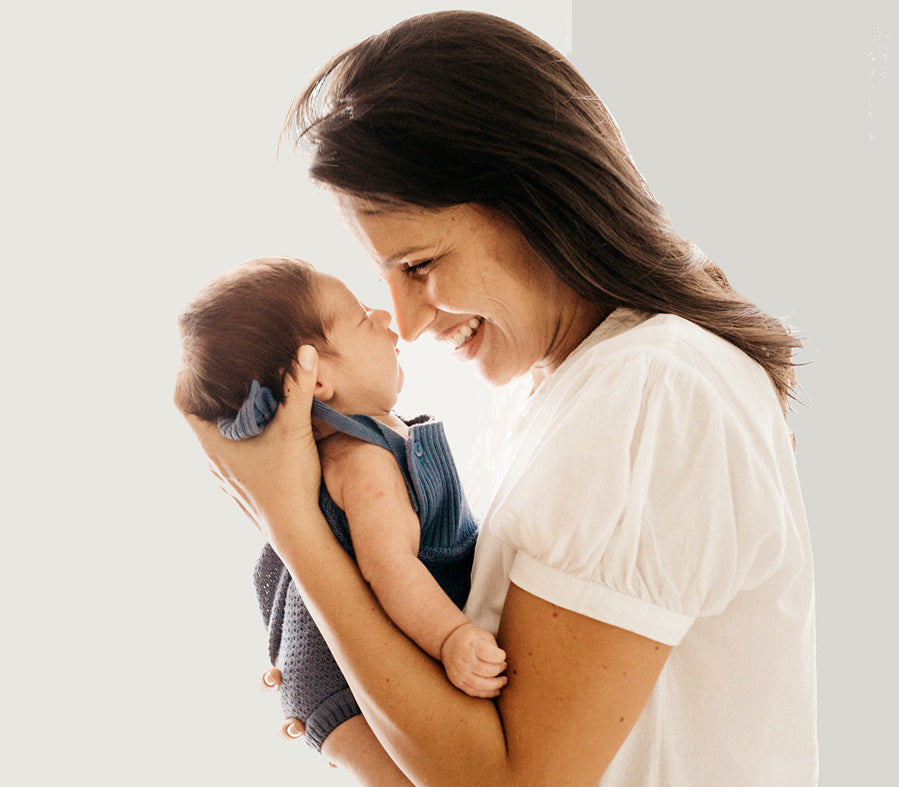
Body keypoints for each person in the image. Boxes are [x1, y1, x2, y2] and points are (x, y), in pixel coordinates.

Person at [184, 11, 817, 786]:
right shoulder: (557, 393)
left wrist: (289, 524)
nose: (408, 323)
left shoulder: (652, 389)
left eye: (418, 264)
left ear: (532, 198)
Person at [175, 256, 507, 772]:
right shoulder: (362, 461)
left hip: (329, 663)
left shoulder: (363, 448)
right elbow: (390, 568)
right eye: (359, 316)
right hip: (340, 679)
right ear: (317, 378)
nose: (382, 316)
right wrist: (451, 638)